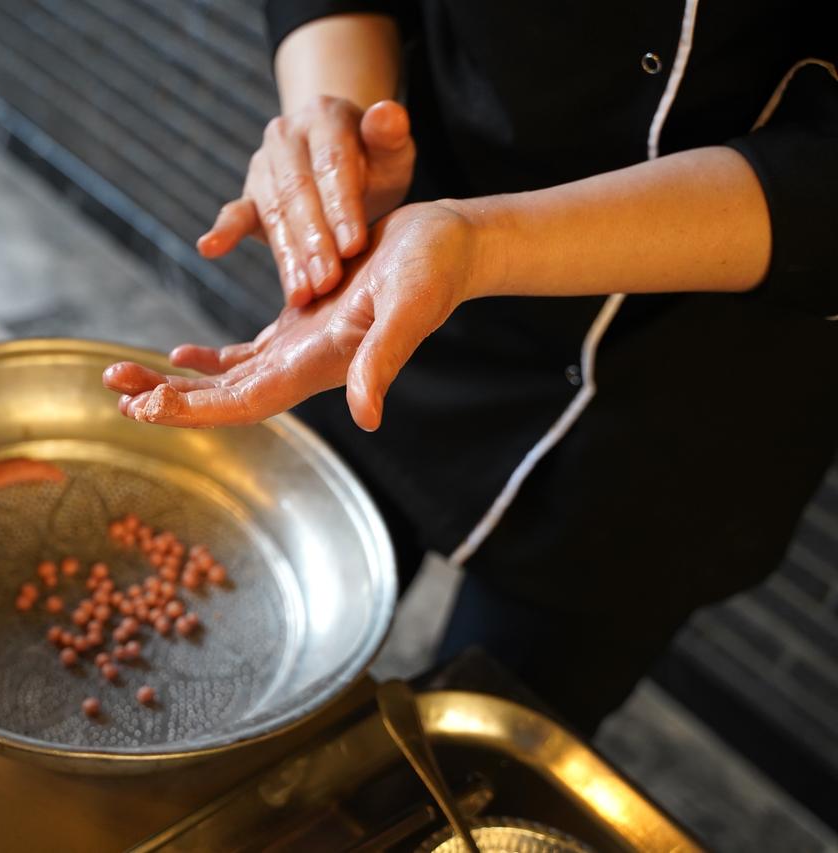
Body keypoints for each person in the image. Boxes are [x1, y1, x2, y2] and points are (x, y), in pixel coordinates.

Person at [104, 1, 838, 734]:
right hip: (389, 304)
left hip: (686, 413)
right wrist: (343, 136)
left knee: (469, 757)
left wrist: (484, 243)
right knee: (227, 660)